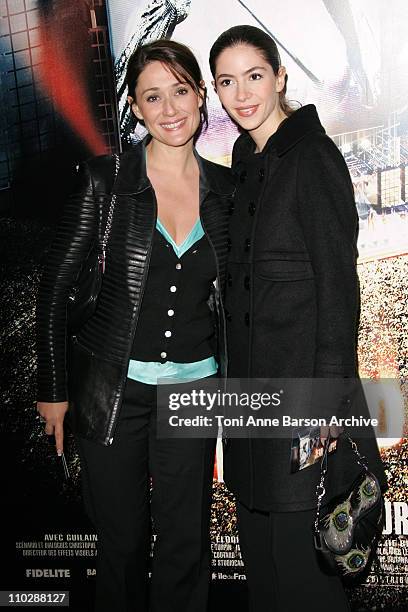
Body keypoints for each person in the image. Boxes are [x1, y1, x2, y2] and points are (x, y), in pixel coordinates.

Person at [36, 39, 234, 612]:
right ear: (137, 108)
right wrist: (53, 390)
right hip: (114, 392)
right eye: (153, 96)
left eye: (179, 91)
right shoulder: (107, 181)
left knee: (186, 543)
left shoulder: (226, 191)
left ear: (200, 96)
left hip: (195, 393)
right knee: (119, 546)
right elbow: (53, 289)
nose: (170, 108)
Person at [209, 25, 387, 611]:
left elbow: (339, 289)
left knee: (303, 572)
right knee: (261, 566)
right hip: (248, 407)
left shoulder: (313, 157)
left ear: (281, 78)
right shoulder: (243, 156)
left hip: (303, 405)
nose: (242, 94)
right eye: (226, 82)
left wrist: (323, 408)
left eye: (254, 76)